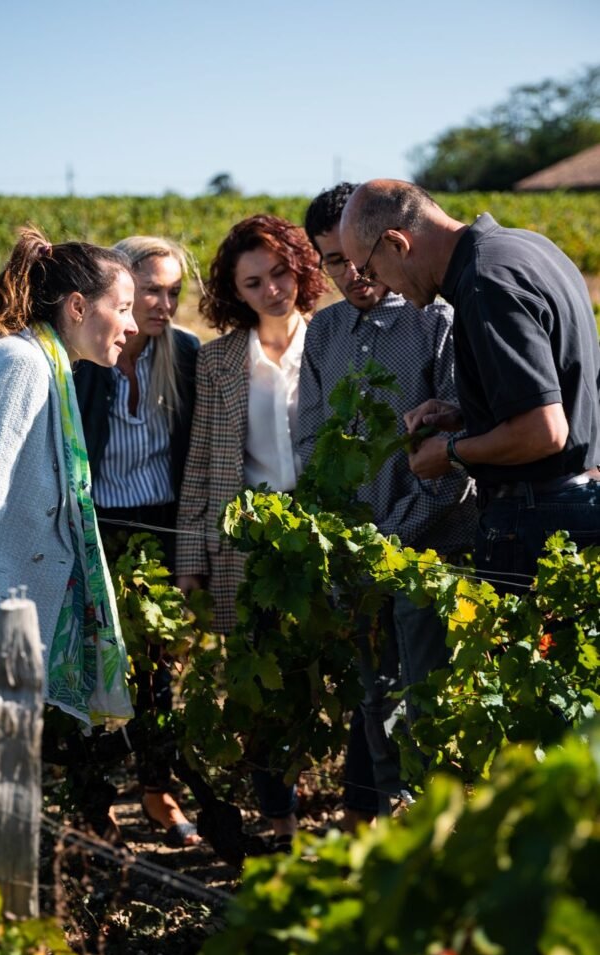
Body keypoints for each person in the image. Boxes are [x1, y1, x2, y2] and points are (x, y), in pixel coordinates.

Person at [0, 228, 137, 877]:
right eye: (119, 307)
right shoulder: (19, 366)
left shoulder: (24, 359)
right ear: (76, 306)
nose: (128, 325)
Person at [299, 184, 476, 824]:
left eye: (353, 259)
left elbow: (457, 454)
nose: (350, 275)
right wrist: (347, 538)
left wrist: (397, 537)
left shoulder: (438, 320)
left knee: (428, 701)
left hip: (433, 550)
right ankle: (384, 837)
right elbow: (312, 441)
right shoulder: (324, 332)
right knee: (374, 701)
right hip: (358, 555)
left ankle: (436, 833)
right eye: (331, 262)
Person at [339, 179, 600, 585]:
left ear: (397, 243)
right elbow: (555, 389)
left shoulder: (485, 283)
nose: (382, 286)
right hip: (573, 503)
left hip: (538, 518)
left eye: (372, 270)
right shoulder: (525, 247)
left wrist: (451, 452)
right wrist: (467, 415)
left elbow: (544, 432)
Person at [176, 214, 327, 848]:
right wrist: (190, 555)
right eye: (253, 282)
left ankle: (357, 811)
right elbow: (203, 463)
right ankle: (282, 822)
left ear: (300, 268)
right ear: (234, 293)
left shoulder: (334, 342)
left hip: (323, 543)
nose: (272, 289)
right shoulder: (216, 363)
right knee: (261, 688)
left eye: (280, 272)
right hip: (249, 546)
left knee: (328, 679)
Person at [75, 235, 201, 848]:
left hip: (159, 523)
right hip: (96, 523)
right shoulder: (86, 355)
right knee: (93, 662)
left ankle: (157, 789)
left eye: (173, 291)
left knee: (159, 671)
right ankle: (95, 803)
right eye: (152, 289)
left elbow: (195, 459)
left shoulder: (185, 354)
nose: (163, 303)